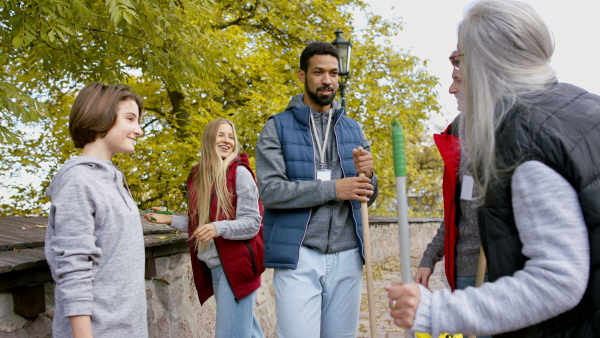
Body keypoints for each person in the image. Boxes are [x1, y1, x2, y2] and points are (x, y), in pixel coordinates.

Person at [386, 0, 599, 336]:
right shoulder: (582, 105)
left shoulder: (525, 142)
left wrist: (436, 310)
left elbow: (557, 280)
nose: (453, 79)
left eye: (458, 60)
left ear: (487, 60)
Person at [255, 41, 378, 338]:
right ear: (302, 75)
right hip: (299, 254)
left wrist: (369, 176)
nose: (327, 80)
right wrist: (334, 189)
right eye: (319, 72)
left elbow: (368, 196)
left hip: (348, 253)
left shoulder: (354, 129)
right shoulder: (277, 127)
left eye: (334, 74)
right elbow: (271, 191)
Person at [145, 118, 265, 338]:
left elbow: (252, 223)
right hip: (218, 268)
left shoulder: (240, 173)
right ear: (209, 139)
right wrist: (170, 219)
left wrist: (217, 228)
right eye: (221, 135)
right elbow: (200, 226)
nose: (226, 140)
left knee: (231, 334)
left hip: (237, 269)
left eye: (230, 136)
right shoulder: (201, 176)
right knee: (247, 332)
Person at [45, 82, 147, 337]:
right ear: (100, 115)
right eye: (130, 118)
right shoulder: (78, 181)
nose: (139, 130)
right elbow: (73, 270)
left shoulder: (112, 180)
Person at [414, 57, 487, 292]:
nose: (451, 89)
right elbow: (457, 213)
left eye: (459, 81)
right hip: (463, 269)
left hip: (499, 272)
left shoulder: (512, 130)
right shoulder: (460, 130)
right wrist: (429, 258)